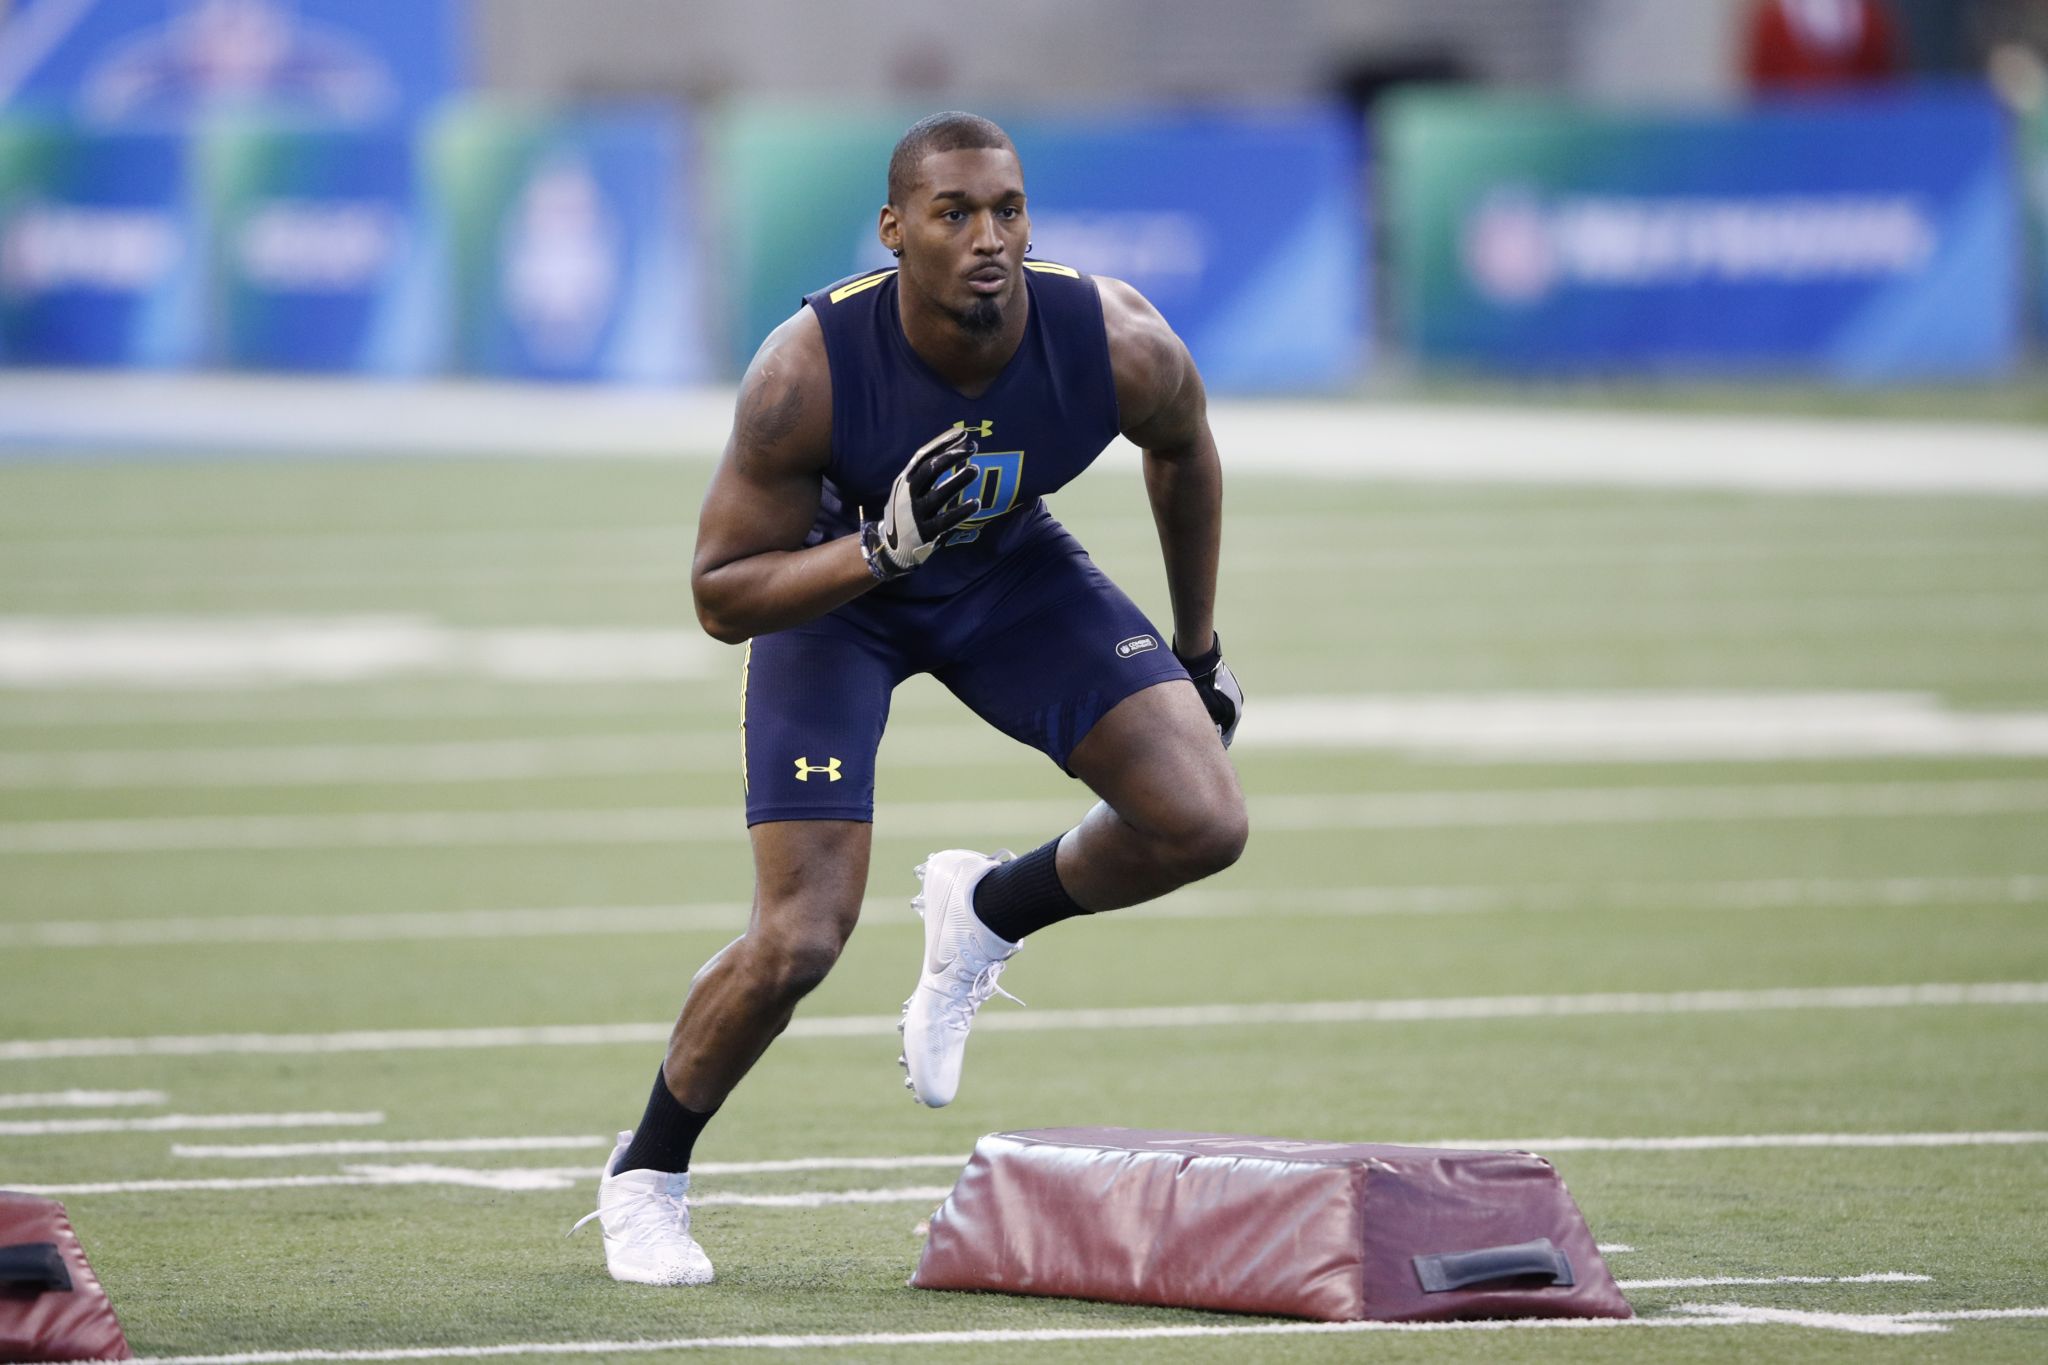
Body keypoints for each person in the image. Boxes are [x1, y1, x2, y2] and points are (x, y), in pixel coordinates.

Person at [574, 111, 1248, 1286]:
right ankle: (646, 1174)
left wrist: (1196, 647)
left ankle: (987, 909)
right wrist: (872, 555)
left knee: (1201, 819)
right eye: (954, 214)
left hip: (1004, 570)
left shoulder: (1114, 336)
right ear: (895, 232)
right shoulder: (807, 367)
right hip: (838, 598)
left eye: (1008, 211)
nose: (988, 237)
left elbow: (1184, 449)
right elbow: (722, 594)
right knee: (798, 939)